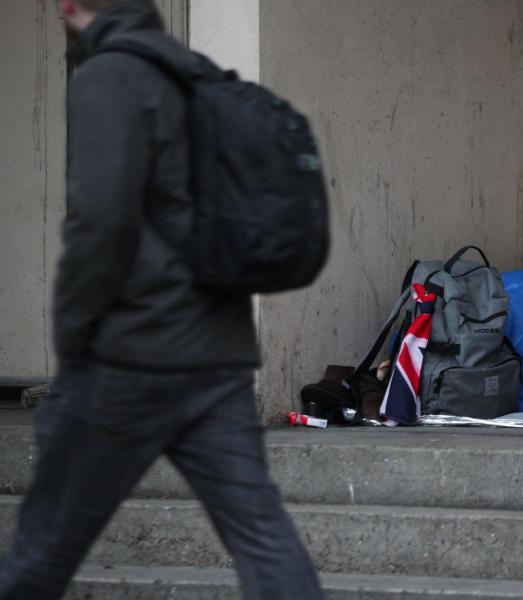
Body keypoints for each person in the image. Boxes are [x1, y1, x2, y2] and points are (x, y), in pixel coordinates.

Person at [0, 1, 325, 598]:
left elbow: (98, 223)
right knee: (262, 537)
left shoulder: (108, 76)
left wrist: (73, 343)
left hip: (130, 358)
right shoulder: (194, 71)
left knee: (41, 550)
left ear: (70, 6)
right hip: (220, 355)